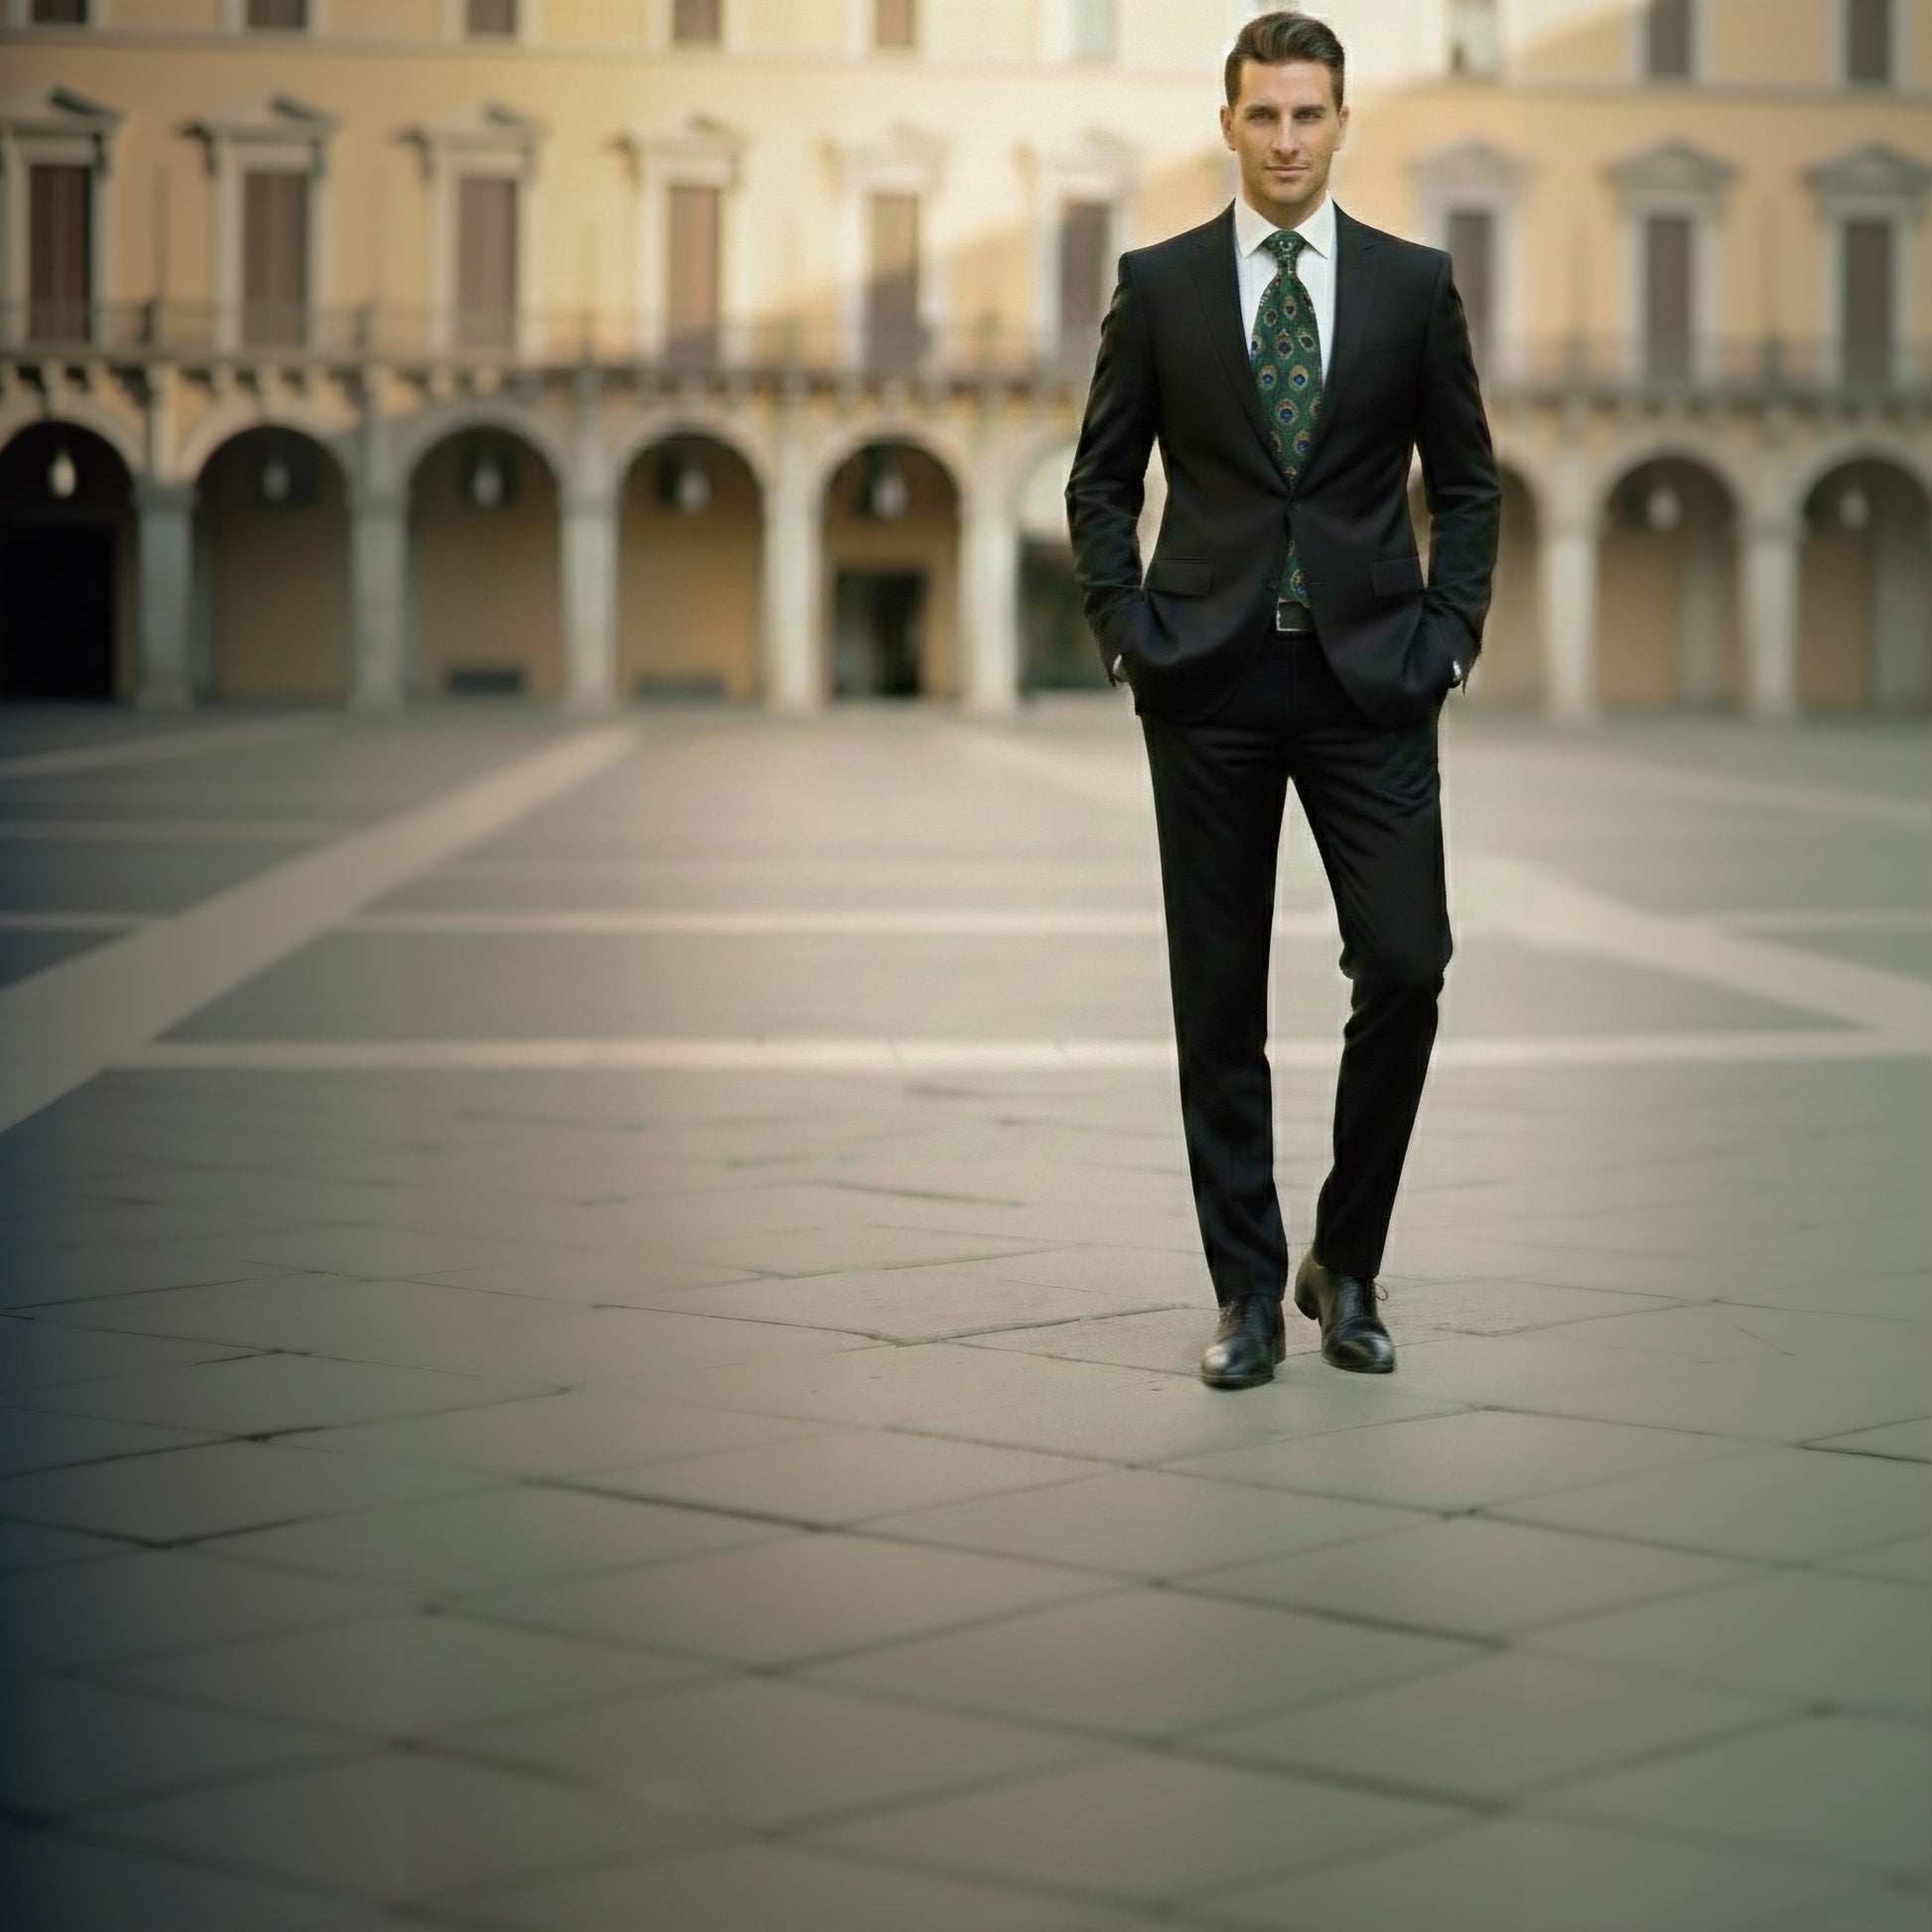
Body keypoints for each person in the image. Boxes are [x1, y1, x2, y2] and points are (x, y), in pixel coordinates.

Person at [1064, 9, 1500, 1390]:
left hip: (1372, 678)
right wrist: (1128, 627)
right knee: (1216, 996)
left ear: (1340, 122)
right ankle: (1246, 1292)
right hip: (1209, 678)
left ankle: (1346, 1258)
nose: (1286, 139)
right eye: (1262, 114)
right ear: (1228, 125)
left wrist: (1446, 636)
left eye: (1308, 114)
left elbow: (1469, 483)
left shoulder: (1411, 285)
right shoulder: (1162, 284)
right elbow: (1098, 479)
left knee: (1409, 964)